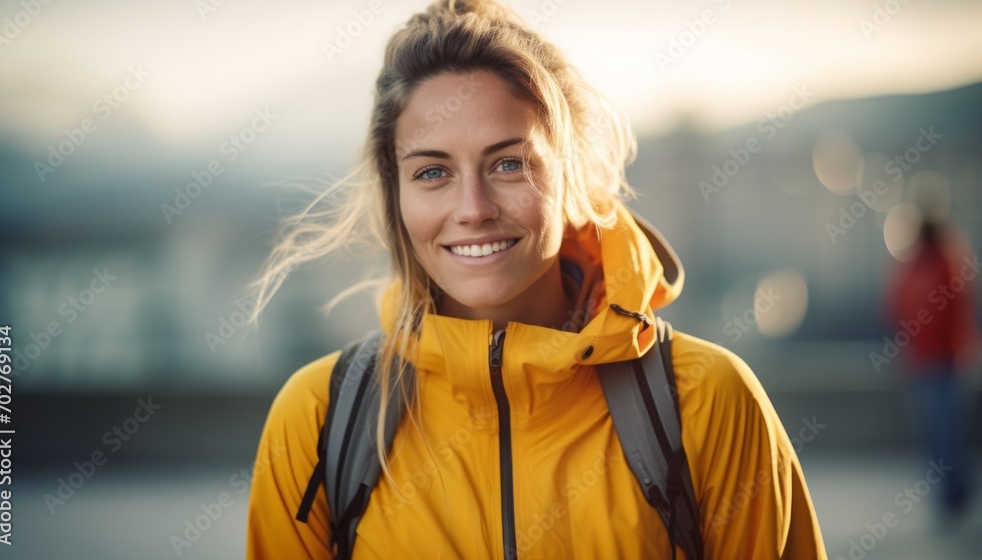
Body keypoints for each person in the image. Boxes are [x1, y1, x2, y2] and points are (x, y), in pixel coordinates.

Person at [245, 1, 827, 558]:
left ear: (569, 175)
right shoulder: (320, 419)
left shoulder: (708, 401)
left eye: (508, 164)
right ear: (394, 192)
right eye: (431, 172)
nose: (473, 208)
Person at [884, 217, 979, 523]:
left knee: (947, 431)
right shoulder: (916, 267)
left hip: (945, 363)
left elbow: (957, 311)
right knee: (934, 433)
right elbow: (895, 307)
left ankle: (956, 493)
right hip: (924, 363)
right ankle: (947, 494)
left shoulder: (945, 264)